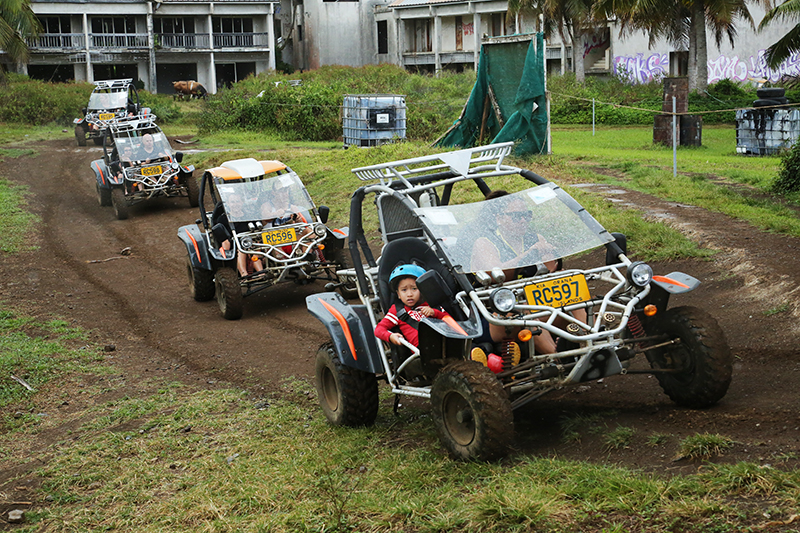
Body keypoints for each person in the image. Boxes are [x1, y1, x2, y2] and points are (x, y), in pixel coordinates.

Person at [470, 190, 583, 356]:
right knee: (524, 310)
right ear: (499, 218)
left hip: (535, 305)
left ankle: (592, 344)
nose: (523, 221)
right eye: (516, 216)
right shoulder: (484, 243)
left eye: (526, 215)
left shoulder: (533, 237)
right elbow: (496, 275)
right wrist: (528, 255)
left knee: (573, 284)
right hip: (495, 315)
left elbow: (552, 269)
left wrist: (553, 264)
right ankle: (558, 359)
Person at [374, 264, 452, 348]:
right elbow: (379, 330)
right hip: (422, 351)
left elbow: (450, 320)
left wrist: (434, 313)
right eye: (404, 290)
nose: (409, 294)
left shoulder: (431, 304)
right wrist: (390, 336)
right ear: (398, 294)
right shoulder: (397, 310)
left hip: (444, 343)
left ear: (422, 290)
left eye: (414, 289)